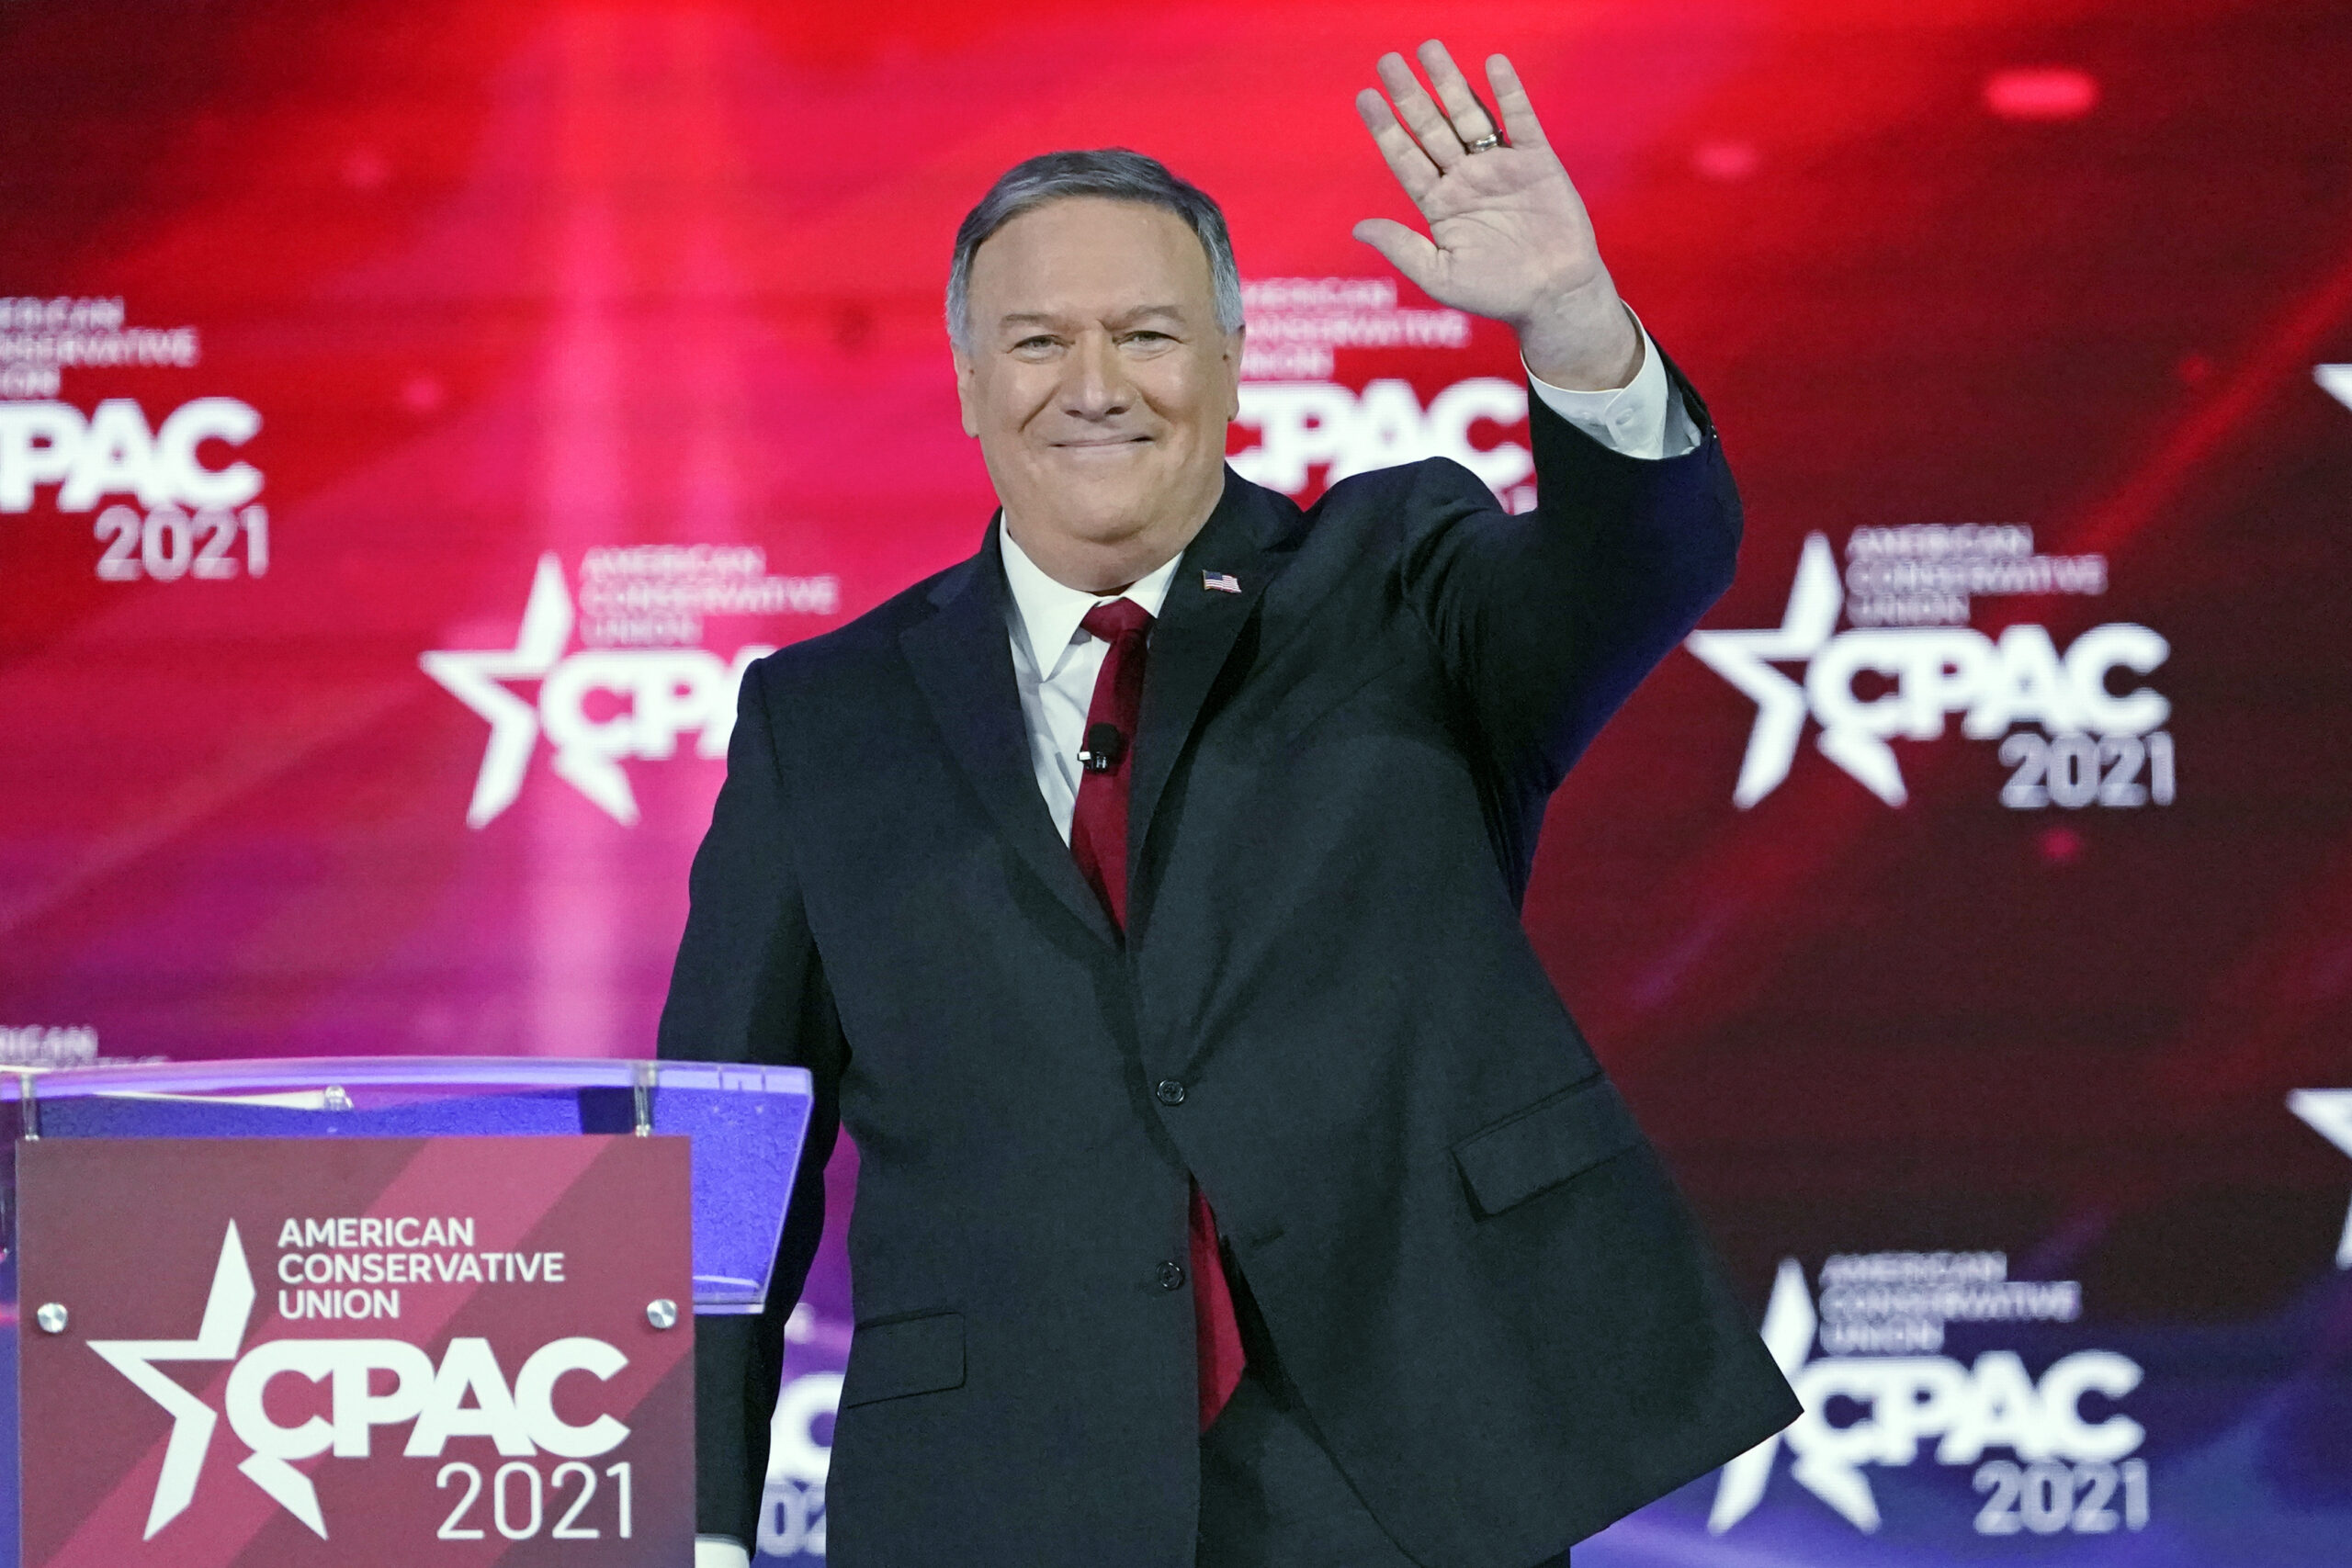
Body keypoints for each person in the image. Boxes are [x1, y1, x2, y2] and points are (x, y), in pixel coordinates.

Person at [662, 39, 1796, 1568]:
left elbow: (1638, 567)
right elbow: (726, 1147)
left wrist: (1576, 324)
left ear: (1231, 357)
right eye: (1039, 341)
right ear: (970, 380)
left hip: (1397, 1482)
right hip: (992, 1494)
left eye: (1147, 333)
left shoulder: (1396, 580)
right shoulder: (822, 717)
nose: (1095, 386)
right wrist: (692, 1529)